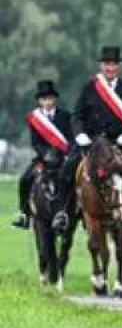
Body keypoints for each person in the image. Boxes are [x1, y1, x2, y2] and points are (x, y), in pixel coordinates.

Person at [61, 46, 122, 205]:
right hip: (93, 141)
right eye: (107, 64)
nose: (110, 68)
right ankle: (64, 211)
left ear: (119, 66)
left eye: (114, 64)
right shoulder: (89, 88)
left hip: (120, 141)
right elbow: (77, 116)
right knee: (67, 170)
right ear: (101, 66)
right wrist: (80, 135)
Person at [14, 80, 73, 231]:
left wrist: (62, 153)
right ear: (39, 101)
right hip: (44, 158)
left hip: (62, 156)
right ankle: (24, 213)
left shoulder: (65, 116)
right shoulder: (35, 119)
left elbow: (70, 137)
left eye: (50, 98)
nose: (47, 102)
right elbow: (35, 142)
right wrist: (45, 154)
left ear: (55, 99)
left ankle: (70, 212)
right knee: (25, 179)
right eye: (44, 99)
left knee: (73, 179)